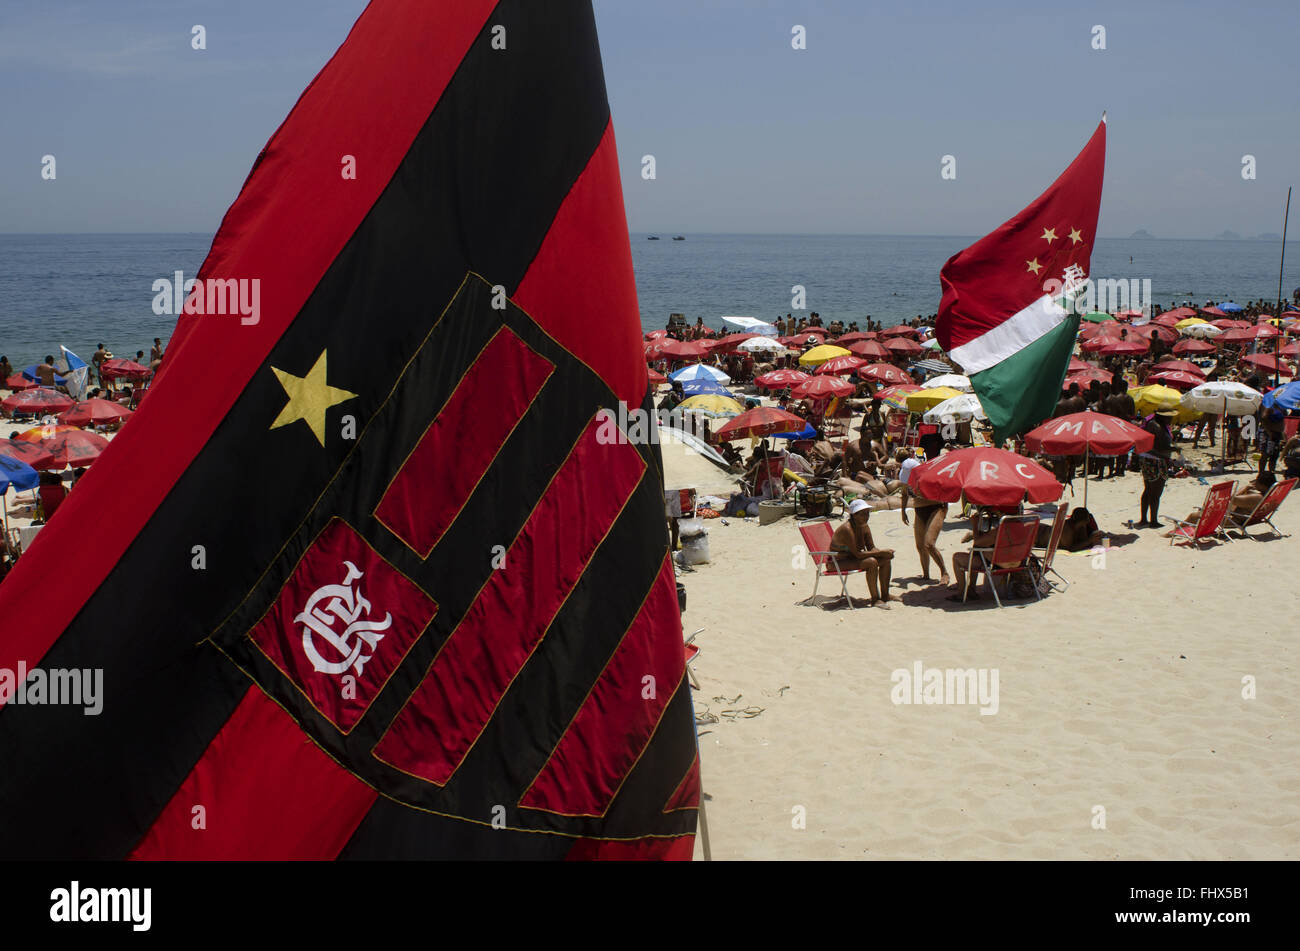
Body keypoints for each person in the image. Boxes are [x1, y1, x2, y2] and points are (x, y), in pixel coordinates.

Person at [828, 499, 894, 605]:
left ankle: (885, 595)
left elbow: (871, 547)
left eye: (867, 513)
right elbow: (858, 554)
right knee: (872, 562)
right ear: (854, 515)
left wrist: (883, 553)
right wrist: (880, 553)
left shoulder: (864, 526)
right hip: (836, 562)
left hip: (851, 558)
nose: (866, 516)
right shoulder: (847, 529)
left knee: (886, 559)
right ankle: (875, 599)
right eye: (862, 514)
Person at [899, 450, 950, 585]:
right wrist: (903, 511)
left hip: (936, 508)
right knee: (920, 546)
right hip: (919, 510)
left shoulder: (928, 477)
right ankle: (926, 575)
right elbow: (904, 494)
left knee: (929, 544)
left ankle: (944, 572)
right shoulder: (906, 477)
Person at [1136, 409, 1174, 527]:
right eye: (1168, 417)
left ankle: (1144, 519)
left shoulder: (1153, 424)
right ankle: (1153, 521)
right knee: (1156, 492)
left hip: (1149, 459)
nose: (1171, 419)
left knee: (1148, 490)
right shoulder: (1156, 426)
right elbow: (1159, 447)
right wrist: (1173, 450)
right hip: (1155, 460)